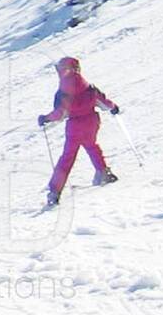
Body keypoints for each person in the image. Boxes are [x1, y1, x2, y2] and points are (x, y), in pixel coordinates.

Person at [39, 55, 121, 206]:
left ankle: (55, 191)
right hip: (91, 122)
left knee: (67, 158)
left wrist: (45, 118)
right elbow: (103, 103)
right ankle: (103, 173)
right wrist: (113, 107)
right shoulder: (89, 88)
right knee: (92, 145)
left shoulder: (63, 92)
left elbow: (60, 114)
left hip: (74, 127)